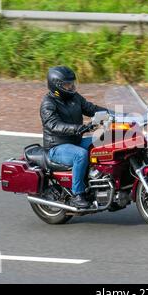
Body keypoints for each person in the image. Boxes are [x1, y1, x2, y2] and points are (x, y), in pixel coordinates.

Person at [40, 66, 107, 208]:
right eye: (67, 84)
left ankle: (102, 181)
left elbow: (91, 109)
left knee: (106, 142)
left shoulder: (74, 97)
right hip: (56, 147)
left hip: (75, 141)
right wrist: (78, 128)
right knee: (80, 155)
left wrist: (115, 114)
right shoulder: (48, 104)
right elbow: (54, 125)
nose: (71, 86)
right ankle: (77, 194)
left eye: (72, 83)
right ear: (56, 86)